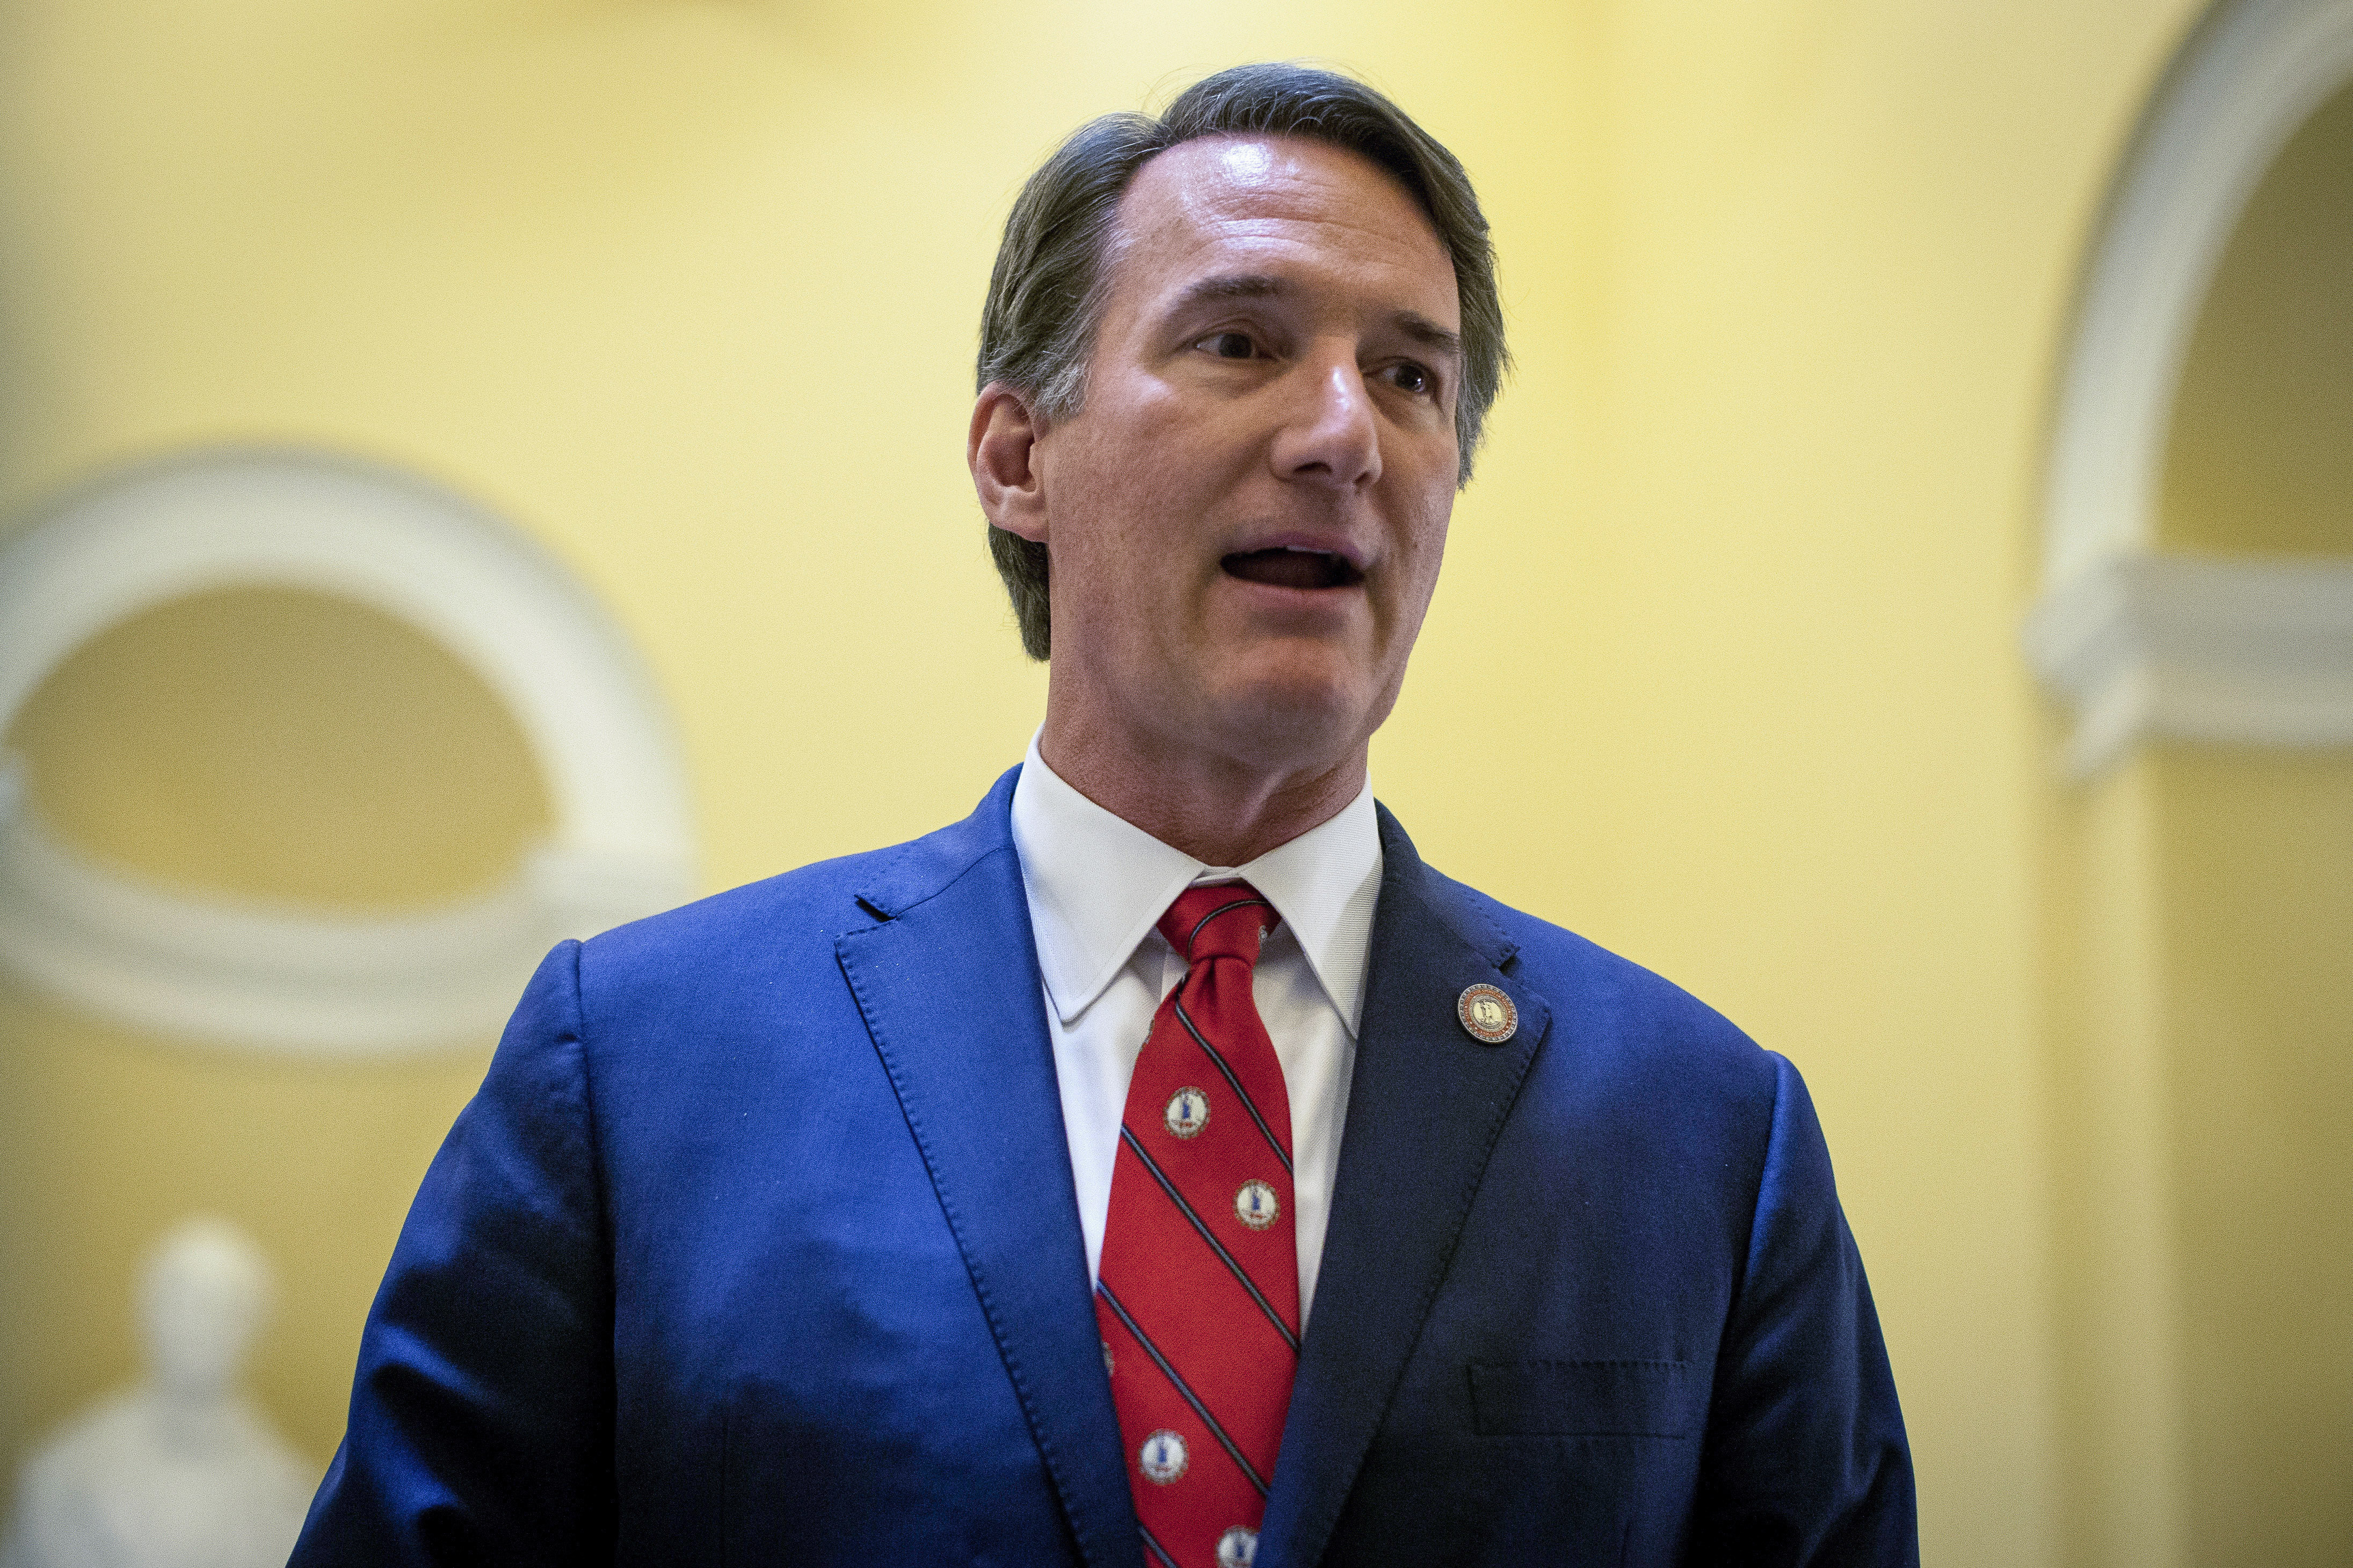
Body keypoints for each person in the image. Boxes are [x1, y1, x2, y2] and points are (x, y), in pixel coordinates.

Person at [291, 63, 1914, 1567]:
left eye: (1408, 375)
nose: (1341, 432)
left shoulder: (1703, 1138)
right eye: (1236, 341)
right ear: (1017, 455)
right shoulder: (636, 1075)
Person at [2, 1218, 312, 1568]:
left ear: (259, 1335)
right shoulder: (67, 1474)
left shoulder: (288, 1495)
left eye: (222, 1309)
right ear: (145, 1313)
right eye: (182, 1302)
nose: (200, 1326)